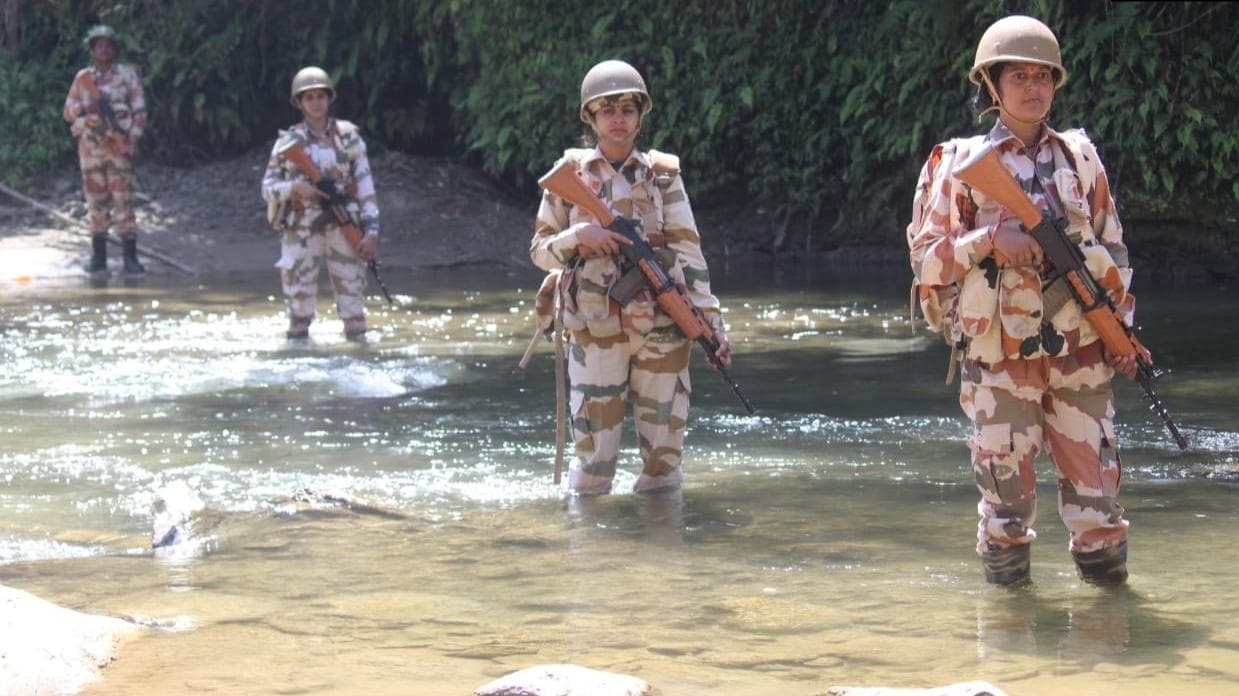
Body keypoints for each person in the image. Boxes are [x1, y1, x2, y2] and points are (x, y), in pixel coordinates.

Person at [907, 16, 1137, 586]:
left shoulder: (1081, 160)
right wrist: (990, 241)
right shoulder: (959, 165)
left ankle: (1110, 638)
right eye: (1018, 76)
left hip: (1081, 356)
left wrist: (1122, 334)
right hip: (1000, 362)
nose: (1033, 87)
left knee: (1101, 509)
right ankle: (1009, 653)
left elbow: (1113, 250)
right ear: (992, 85)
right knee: (1006, 514)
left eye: (1044, 76)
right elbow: (926, 260)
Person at [530, 59, 732, 495]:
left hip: (664, 329)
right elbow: (540, 252)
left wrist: (712, 326)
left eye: (626, 108)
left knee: (663, 468)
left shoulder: (663, 177)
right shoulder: (570, 177)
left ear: (641, 114)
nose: (617, 118)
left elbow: (688, 255)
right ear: (591, 118)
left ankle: (660, 553)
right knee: (593, 468)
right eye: (607, 109)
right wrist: (577, 237)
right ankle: (589, 557)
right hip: (594, 332)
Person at [261, 66, 379, 340]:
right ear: (299, 103)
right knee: (299, 317)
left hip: (343, 225)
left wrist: (371, 232)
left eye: (320, 96)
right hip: (301, 229)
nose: (316, 103)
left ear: (329, 99)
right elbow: (267, 189)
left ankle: (357, 364)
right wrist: (296, 188)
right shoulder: (287, 143)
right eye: (309, 97)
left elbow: (366, 188)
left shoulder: (349, 137)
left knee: (355, 314)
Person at [62, 24, 147, 276]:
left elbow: (140, 113)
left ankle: (129, 259)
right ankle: (98, 258)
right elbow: (68, 111)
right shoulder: (82, 79)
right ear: (92, 50)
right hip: (90, 150)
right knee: (95, 202)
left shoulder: (127, 76)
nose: (104, 50)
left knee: (124, 201)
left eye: (108, 45)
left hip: (118, 148)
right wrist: (84, 121)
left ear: (115, 49)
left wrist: (130, 140)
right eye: (99, 46)